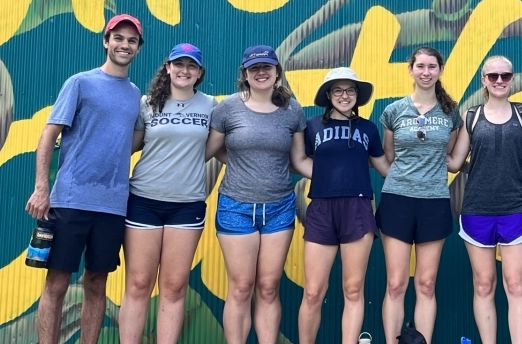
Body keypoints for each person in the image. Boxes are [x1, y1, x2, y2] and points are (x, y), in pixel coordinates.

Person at [25, 14, 144, 344]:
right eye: (118, 38)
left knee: (96, 283)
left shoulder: (136, 95)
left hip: (113, 205)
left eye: (131, 40)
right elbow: (49, 135)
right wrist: (41, 188)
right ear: (106, 42)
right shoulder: (80, 82)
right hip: (70, 200)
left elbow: (130, 142)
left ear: (138, 48)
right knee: (58, 282)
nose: (124, 44)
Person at [205, 45, 311, 344]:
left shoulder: (293, 110)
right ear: (245, 75)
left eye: (267, 67)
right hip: (235, 207)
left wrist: (340, 177)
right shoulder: (227, 108)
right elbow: (209, 151)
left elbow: (300, 160)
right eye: (254, 68)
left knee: (268, 286)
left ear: (277, 72)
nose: (261, 72)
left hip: (279, 208)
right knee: (240, 287)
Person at [117, 43, 217, 344]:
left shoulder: (212, 105)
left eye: (191, 66)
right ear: (168, 68)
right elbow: (127, 146)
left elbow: (219, 147)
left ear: (199, 73)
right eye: (179, 64)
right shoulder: (147, 104)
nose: (184, 70)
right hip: (144, 201)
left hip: (187, 205)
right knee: (138, 284)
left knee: (174, 286)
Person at [447, 56, 522, 344]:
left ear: (512, 78)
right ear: (483, 80)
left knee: (515, 284)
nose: (500, 81)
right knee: (484, 285)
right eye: (493, 76)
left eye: (506, 75)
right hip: (476, 210)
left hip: (515, 209)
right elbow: (455, 162)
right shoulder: (470, 116)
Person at [297, 67, 390, 344]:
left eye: (350, 90)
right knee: (313, 291)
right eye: (337, 90)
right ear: (328, 95)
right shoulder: (311, 125)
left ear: (357, 96)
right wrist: (327, 173)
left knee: (352, 289)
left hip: (358, 208)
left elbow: (384, 166)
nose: (344, 95)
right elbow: (300, 160)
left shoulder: (368, 128)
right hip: (321, 209)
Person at [378, 46, 463, 344]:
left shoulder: (451, 113)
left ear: (440, 70)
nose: (426, 72)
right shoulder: (393, 111)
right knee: (396, 282)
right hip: (397, 201)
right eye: (420, 66)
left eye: (432, 67)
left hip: (435, 201)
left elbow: (451, 157)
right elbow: (389, 157)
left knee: (426, 284)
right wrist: (406, 180)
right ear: (411, 69)